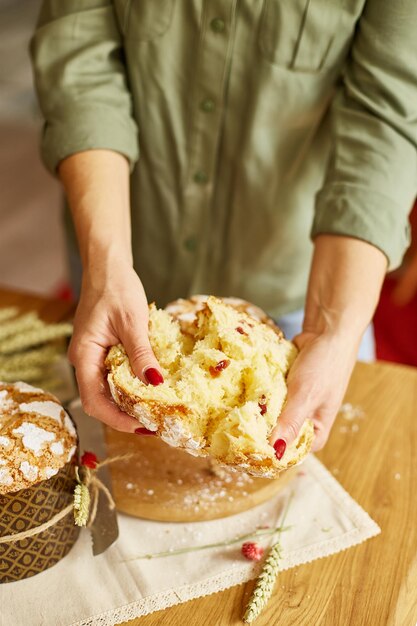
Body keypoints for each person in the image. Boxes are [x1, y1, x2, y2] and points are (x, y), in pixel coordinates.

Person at [30, 1, 417, 459]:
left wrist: (333, 327)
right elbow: (81, 61)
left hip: (301, 291)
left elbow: (386, 116)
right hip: (116, 247)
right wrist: (105, 263)